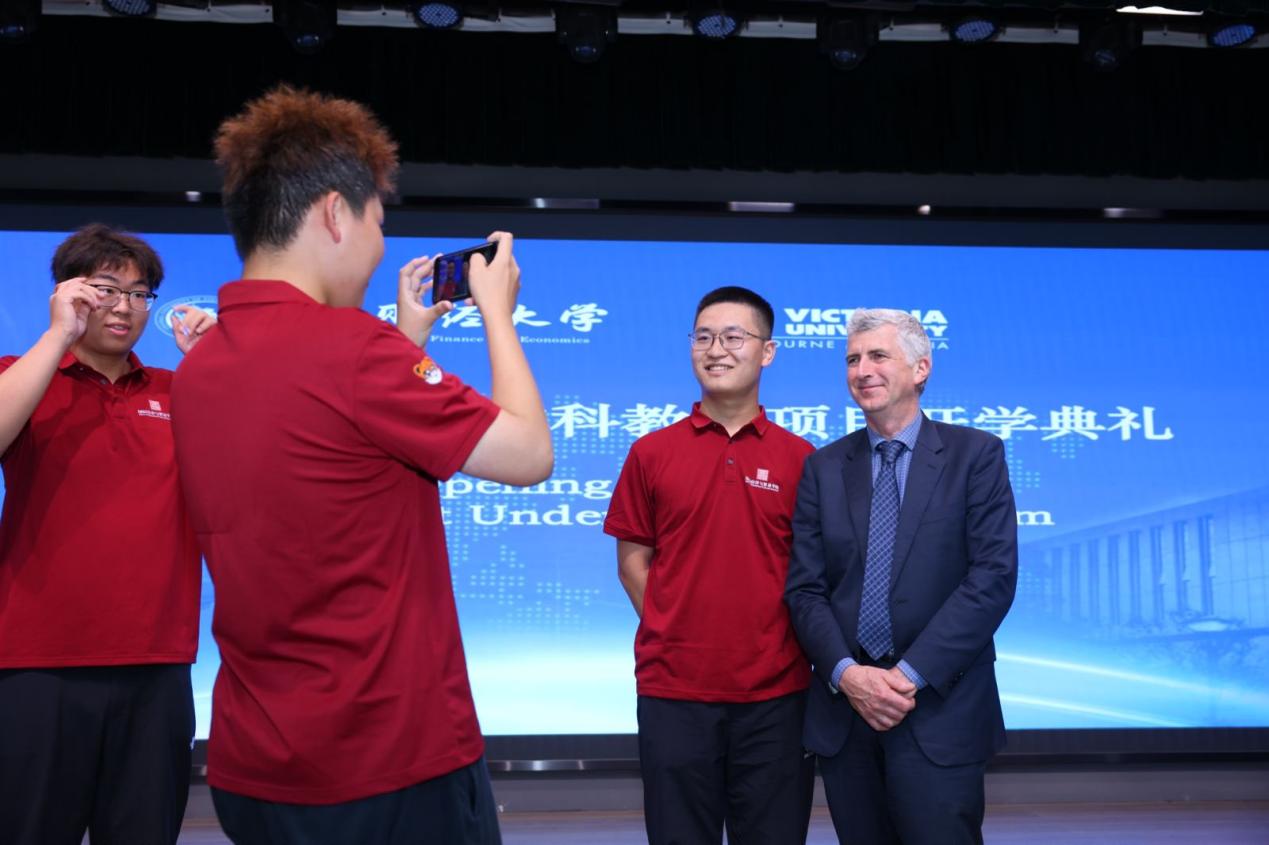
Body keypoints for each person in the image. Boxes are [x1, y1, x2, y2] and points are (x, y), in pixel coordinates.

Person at [170, 85, 553, 845]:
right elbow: (529, 453)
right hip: (388, 761)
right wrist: (497, 316)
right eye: (379, 222)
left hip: (258, 762)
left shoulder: (200, 365)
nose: (380, 247)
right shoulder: (353, 350)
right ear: (334, 215)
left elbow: (336, 454)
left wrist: (406, 344)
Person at [0, 223, 214, 845]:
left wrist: (219, 369)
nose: (124, 307)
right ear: (68, 292)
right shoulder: (22, 376)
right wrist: (57, 335)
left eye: (140, 294)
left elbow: (262, 468)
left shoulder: (181, 392)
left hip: (157, 664)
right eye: (106, 290)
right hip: (39, 665)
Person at [784, 308, 1018, 845]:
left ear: (920, 368)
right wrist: (849, 675)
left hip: (939, 708)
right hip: (847, 712)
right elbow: (805, 589)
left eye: (877, 356)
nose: (862, 370)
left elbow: (992, 578)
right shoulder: (823, 467)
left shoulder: (975, 455)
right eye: (852, 359)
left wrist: (904, 677)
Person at [604, 286, 816, 845]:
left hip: (778, 695)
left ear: (767, 352)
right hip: (673, 693)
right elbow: (632, 562)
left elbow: (814, 577)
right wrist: (676, 630)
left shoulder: (802, 459)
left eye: (733, 337)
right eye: (703, 337)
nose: (715, 349)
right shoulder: (651, 452)